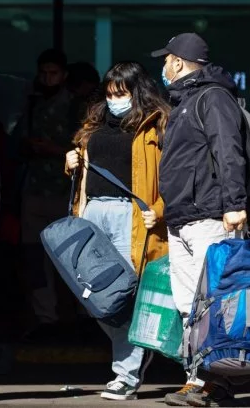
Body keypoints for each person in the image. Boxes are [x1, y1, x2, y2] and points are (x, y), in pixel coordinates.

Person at [151, 32, 247, 407]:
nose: (163, 67)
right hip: (183, 217)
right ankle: (201, 379)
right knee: (188, 304)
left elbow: (228, 151)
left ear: (178, 62)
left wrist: (234, 203)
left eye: (166, 60)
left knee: (211, 301)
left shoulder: (213, 97)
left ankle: (209, 382)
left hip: (209, 215)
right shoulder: (183, 102)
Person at [65, 61, 169, 401]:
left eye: (121, 93)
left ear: (137, 93)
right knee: (94, 294)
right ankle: (135, 352)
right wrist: (71, 162)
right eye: (110, 94)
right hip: (93, 211)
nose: (114, 101)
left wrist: (159, 210)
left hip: (131, 215)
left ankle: (126, 374)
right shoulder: (93, 123)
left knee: (121, 295)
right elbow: (86, 165)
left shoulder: (156, 126)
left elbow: (174, 175)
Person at [16, 48, 75, 341]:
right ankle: (45, 318)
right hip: (35, 188)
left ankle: (75, 317)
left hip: (64, 191)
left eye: (53, 73)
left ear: (64, 76)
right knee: (34, 257)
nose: (47, 78)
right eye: (44, 73)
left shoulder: (75, 106)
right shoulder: (33, 104)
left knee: (71, 258)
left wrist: (53, 150)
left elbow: (83, 147)